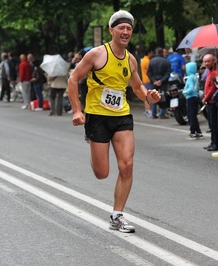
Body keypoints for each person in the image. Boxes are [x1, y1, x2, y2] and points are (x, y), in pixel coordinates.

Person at [67, 10, 161, 233]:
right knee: (102, 173)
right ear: (112, 30)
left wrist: (149, 96)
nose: (126, 31)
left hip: (121, 117)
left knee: (127, 165)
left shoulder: (130, 59)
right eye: (121, 27)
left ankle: (117, 215)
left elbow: (137, 86)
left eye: (129, 28)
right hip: (97, 117)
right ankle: (93, 145)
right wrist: (77, 111)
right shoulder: (96, 54)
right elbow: (73, 79)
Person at [202, 54, 218, 151]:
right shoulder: (208, 72)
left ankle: (216, 143)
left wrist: (206, 98)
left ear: (213, 61)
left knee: (214, 123)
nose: (206, 63)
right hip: (209, 101)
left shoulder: (214, 72)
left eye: (208, 61)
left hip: (213, 101)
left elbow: (212, 88)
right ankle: (213, 141)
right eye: (205, 61)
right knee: (211, 123)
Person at [147, 47, 171, 119]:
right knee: (163, 97)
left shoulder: (151, 61)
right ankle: (162, 113)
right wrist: (161, 80)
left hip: (154, 82)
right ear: (162, 53)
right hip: (163, 82)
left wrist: (154, 81)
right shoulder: (166, 61)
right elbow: (168, 73)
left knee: (154, 96)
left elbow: (149, 72)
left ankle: (154, 113)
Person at [184, 62, 203, 140]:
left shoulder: (190, 78)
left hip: (190, 97)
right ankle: (198, 132)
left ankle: (192, 133)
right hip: (195, 97)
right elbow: (198, 88)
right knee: (194, 116)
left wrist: (185, 91)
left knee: (191, 116)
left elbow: (191, 88)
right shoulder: (195, 77)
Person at [140, 47, 154, 118]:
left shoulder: (143, 60)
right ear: (149, 53)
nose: (152, 54)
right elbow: (150, 70)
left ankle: (147, 111)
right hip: (148, 80)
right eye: (151, 52)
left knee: (146, 96)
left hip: (144, 80)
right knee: (149, 96)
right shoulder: (147, 61)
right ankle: (149, 111)